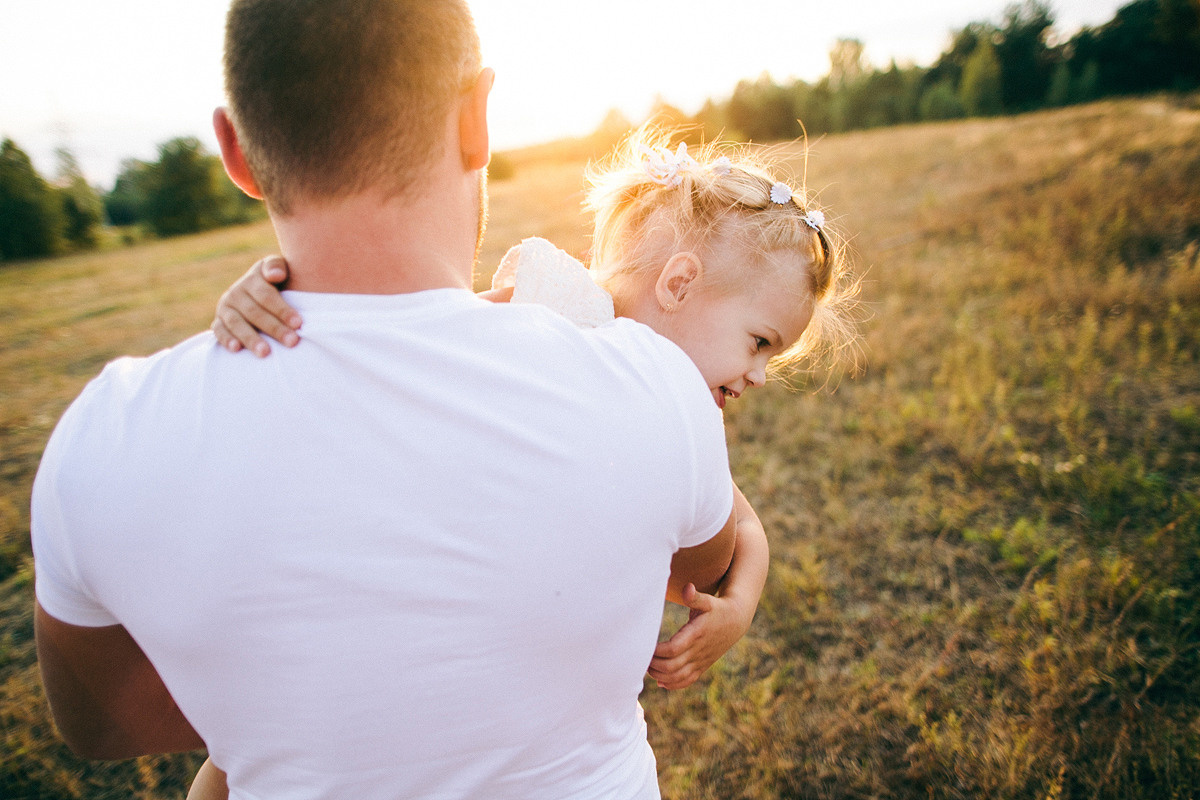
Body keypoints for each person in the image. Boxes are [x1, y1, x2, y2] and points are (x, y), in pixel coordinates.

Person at [31, 2, 748, 799]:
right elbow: (697, 572)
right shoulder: (654, 388)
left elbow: (102, 726)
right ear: (477, 118)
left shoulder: (104, 438)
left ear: (238, 153)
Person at [196, 128, 855, 800]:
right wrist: (278, 296)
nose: (761, 375)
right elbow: (416, 338)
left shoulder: (678, 417)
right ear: (679, 282)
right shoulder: (559, 305)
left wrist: (739, 607)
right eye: (759, 342)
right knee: (262, 730)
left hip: (504, 618)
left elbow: (744, 527)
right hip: (410, 523)